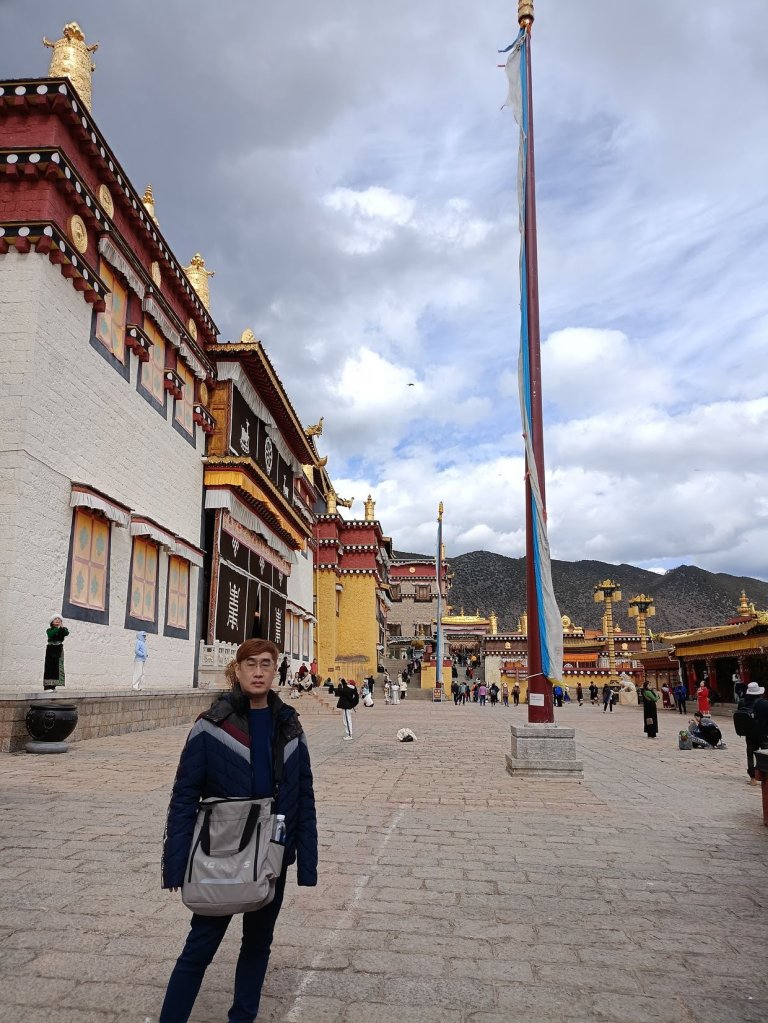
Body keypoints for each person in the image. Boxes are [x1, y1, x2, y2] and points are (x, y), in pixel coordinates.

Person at [159, 638, 317, 1023]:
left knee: (258, 944)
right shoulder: (211, 725)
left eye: (266, 664)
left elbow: (304, 794)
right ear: (238, 669)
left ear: (276, 670)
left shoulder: (289, 726)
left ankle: (242, 1017)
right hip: (223, 849)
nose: (258, 672)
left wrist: (306, 863)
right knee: (200, 946)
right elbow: (184, 795)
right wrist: (175, 864)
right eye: (250, 664)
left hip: (272, 851)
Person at [735, 682, 768, 785]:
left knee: (750, 754)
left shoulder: (742, 702)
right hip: (763, 733)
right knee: (765, 754)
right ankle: (765, 774)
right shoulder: (764, 703)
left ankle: (753, 778)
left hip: (749, 733)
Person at [43, 616, 69, 691]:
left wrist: (62, 627)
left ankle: (53, 686)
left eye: (59, 619)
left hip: (59, 649)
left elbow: (66, 633)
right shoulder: (49, 630)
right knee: (49, 667)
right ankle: (47, 687)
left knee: (57, 667)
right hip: (51, 649)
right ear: (52, 622)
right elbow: (51, 634)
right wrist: (58, 628)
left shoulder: (62, 629)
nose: (57, 620)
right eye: (55, 619)